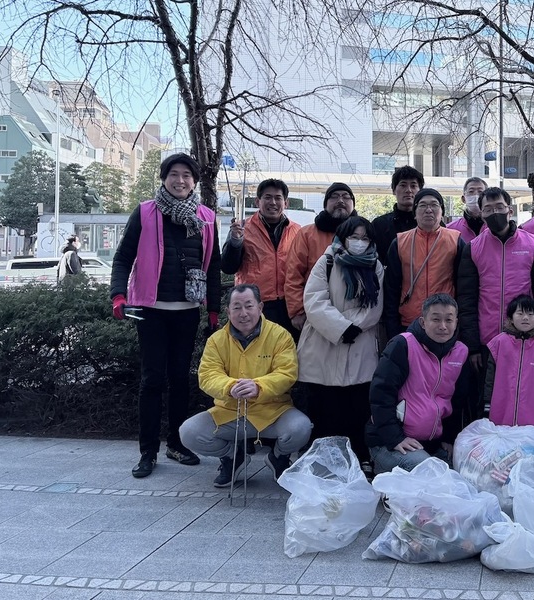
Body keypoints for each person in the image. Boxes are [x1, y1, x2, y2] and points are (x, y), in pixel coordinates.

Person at [110, 153, 221, 478]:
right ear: (164, 178)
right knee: (152, 380)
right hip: (151, 311)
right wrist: (118, 295)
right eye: (174, 174)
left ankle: (176, 443)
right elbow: (123, 257)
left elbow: (213, 266)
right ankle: (148, 451)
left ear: (194, 181)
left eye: (187, 175)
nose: (180, 180)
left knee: (180, 379)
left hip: (187, 311)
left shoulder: (206, 217)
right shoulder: (145, 212)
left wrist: (214, 311)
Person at [180, 284, 311, 488]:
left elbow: (287, 373)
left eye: (249, 306)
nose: (243, 313)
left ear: (260, 307)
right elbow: (207, 375)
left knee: (300, 428)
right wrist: (229, 386)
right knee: (188, 432)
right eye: (237, 307)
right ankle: (233, 457)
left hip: (272, 411)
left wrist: (259, 386)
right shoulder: (216, 340)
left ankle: (279, 457)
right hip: (229, 411)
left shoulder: (280, 335)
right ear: (228, 311)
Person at [296, 216, 383, 471]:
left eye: (364, 238)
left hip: (360, 345)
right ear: (343, 238)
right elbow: (314, 300)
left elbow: (376, 305)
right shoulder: (327, 261)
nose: (359, 242)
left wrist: (353, 327)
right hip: (324, 345)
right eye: (354, 237)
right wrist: (341, 327)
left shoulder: (376, 265)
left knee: (357, 408)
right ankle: (321, 462)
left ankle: (358, 458)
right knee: (325, 409)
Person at [365, 294, 475, 474]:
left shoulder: (460, 353)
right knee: (429, 472)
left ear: (456, 322)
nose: (443, 326)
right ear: (423, 322)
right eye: (436, 319)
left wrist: (448, 438)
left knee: (467, 472)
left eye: (449, 320)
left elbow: (457, 400)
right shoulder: (403, 345)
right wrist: (395, 438)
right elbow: (381, 393)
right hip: (392, 442)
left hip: (432, 444)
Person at [457, 186, 534, 373]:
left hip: (523, 335)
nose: (494, 213)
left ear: (510, 210)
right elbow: (466, 299)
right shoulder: (473, 248)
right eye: (488, 209)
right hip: (486, 339)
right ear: (482, 214)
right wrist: (472, 346)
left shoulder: (532, 243)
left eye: (499, 207)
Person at [222, 179, 302, 339]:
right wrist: (235, 242)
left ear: (285, 202)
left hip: (289, 305)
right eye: (267, 197)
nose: (273, 202)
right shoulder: (241, 228)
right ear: (258, 201)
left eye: (278, 198)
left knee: (288, 351)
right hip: (255, 305)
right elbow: (228, 267)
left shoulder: (297, 230)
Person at [483, 295, 534, 460]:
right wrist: (488, 401)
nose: (525, 318)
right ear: (511, 317)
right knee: (502, 443)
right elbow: (490, 376)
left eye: (531, 314)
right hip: (503, 405)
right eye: (520, 313)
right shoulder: (499, 343)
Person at [383, 188, 465, 340]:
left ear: (442, 211)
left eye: (434, 205)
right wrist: (392, 329)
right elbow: (391, 289)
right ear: (414, 213)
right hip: (409, 322)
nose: (428, 210)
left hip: (444, 324)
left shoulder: (456, 241)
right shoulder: (400, 242)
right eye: (422, 205)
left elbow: (464, 288)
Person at [284, 182, 357, 334]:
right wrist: (297, 311)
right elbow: (293, 275)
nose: (340, 201)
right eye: (334, 197)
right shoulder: (306, 234)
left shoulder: (364, 234)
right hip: (314, 313)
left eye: (346, 197)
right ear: (325, 204)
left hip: (354, 314)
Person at [371, 166, 423, 265]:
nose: (408, 190)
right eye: (403, 185)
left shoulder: (430, 224)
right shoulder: (379, 225)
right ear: (394, 190)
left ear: (420, 191)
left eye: (413, 186)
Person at [446, 176, 487, 243]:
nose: (476, 195)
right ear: (463, 199)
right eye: (471, 191)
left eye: (480, 192)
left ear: (487, 198)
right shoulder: (450, 229)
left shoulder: (495, 228)